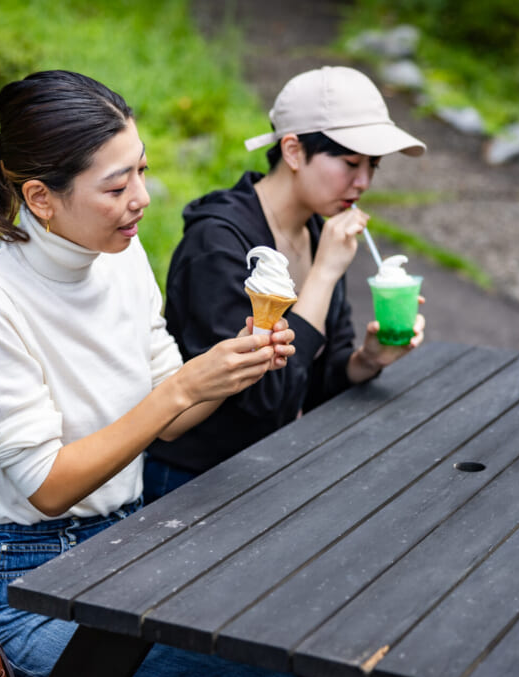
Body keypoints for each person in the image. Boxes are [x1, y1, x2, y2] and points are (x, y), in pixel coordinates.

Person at [0, 70, 297, 677]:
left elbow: (172, 417)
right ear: (41, 197)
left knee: (290, 628)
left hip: (127, 545)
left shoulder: (121, 255)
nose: (142, 197)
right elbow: (48, 486)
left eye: (142, 170)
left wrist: (228, 369)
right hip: (21, 582)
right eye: (116, 185)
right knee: (259, 675)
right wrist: (183, 386)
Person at [144, 66, 427, 502]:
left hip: (265, 470)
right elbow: (262, 400)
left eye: (373, 166)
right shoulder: (217, 243)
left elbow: (316, 381)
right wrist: (324, 273)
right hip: (191, 482)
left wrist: (367, 360)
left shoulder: (318, 232)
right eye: (351, 163)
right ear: (293, 151)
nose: (364, 182)